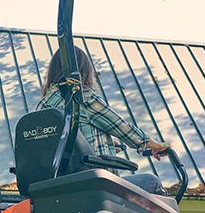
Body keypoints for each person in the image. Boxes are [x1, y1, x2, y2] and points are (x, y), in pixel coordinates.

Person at [37, 46, 171, 194]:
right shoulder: (80, 97)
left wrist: (109, 146)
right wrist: (153, 145)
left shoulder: (43, 104)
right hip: (93, 184)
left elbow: (69, 144)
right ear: (83, 71)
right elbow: (120, 126)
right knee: (152, 182)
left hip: (63, 185)